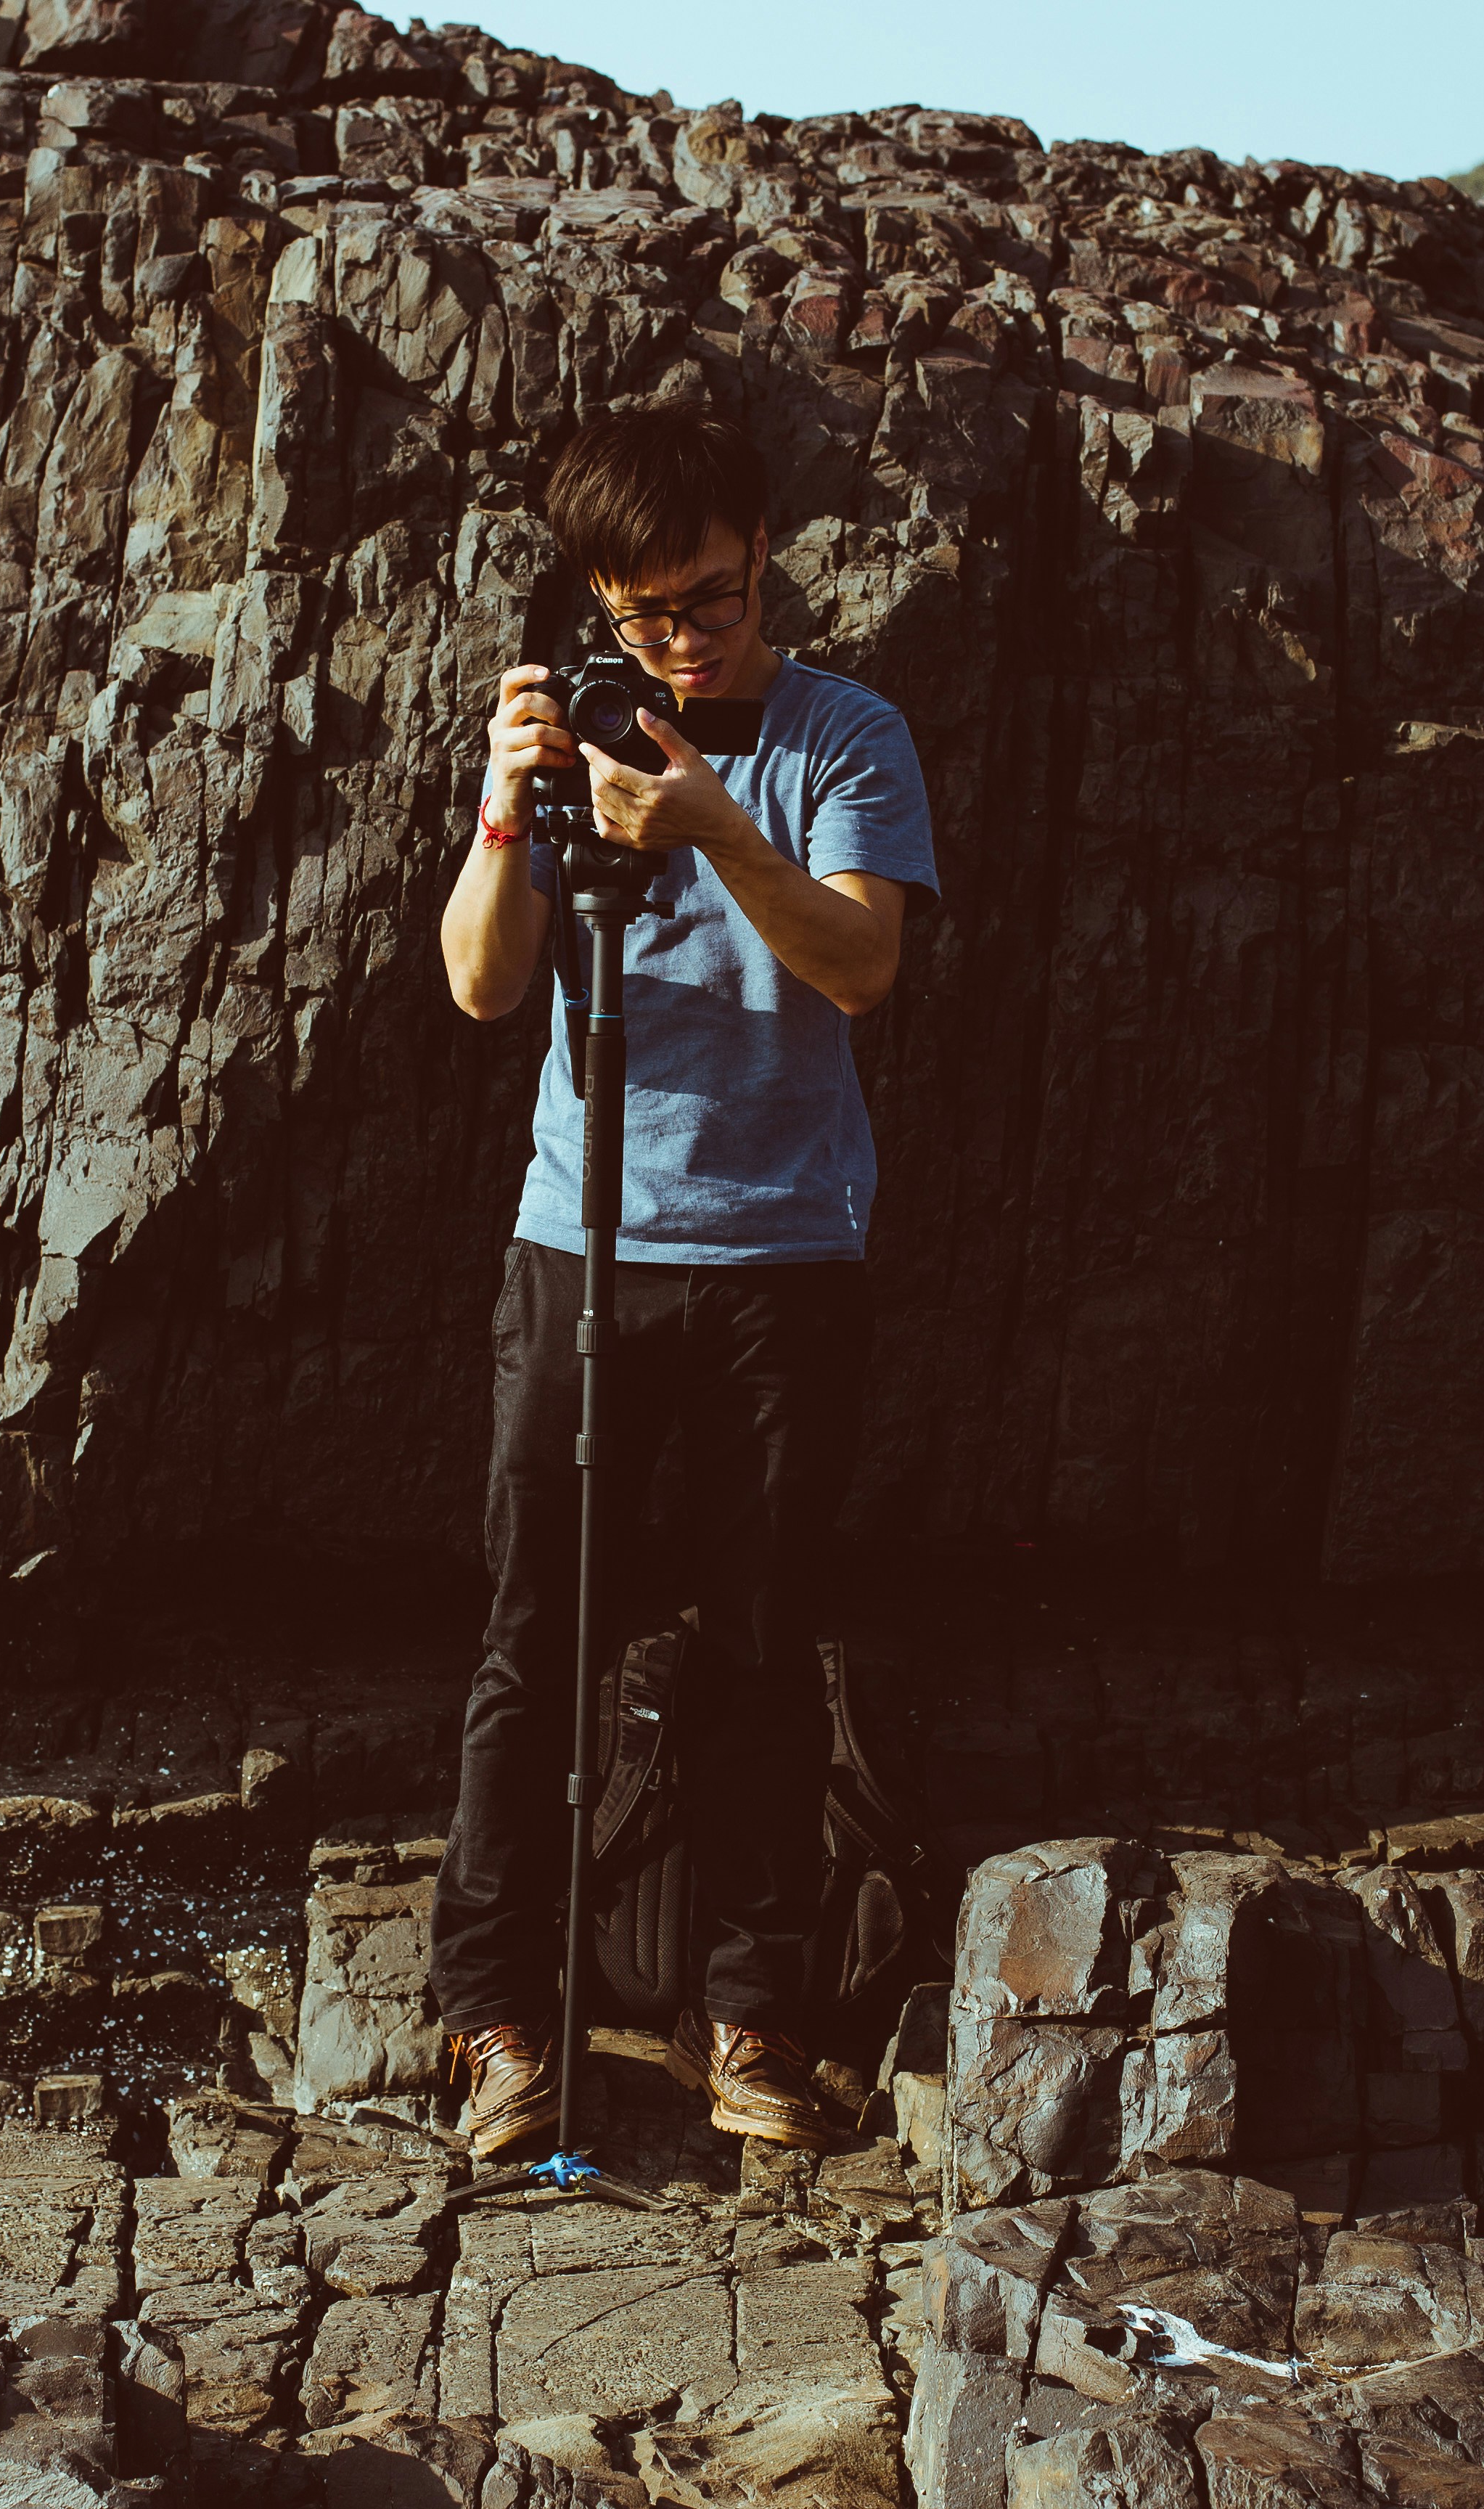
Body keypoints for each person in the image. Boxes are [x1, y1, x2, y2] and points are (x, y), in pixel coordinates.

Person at [429, 408, 941, 2158]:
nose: (687, 639)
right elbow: (485, 993)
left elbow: (864, 964)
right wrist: (509, 811)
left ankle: (752, 2012)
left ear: (763, 553)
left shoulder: (840, 736)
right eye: (646, 615)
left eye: (714, 597)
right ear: (594, 602)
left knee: (757, 1646)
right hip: (579, 1242)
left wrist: (715, 818)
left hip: (783, 1258)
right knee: (529, 1643)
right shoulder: (558, 735)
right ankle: (493, 2016)